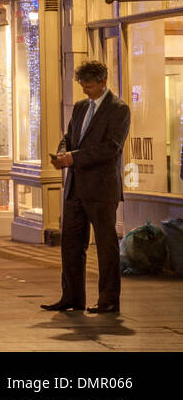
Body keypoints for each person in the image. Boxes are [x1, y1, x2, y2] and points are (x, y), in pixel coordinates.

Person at [42, 60, 131, 315]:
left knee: (105, 246)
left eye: (89, 86)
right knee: (71, 245)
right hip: (75, 189)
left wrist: (74, 158)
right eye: (82, 85)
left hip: (102, 189)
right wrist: (61, 154)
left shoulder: (118, 109)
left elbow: (111, 147)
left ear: (103, 82)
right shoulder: (80, 107)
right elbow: (69, 137)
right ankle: (72, 297)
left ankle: (109, 301)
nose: (85, 90)